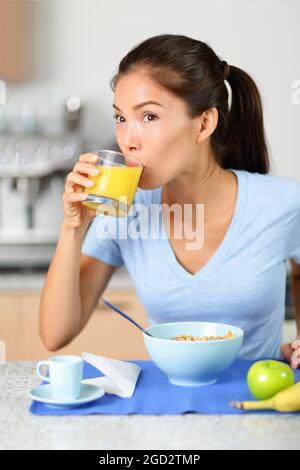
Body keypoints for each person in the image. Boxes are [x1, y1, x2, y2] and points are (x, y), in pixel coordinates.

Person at [39, 34, 300, 367]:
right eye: (121, 118)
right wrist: (73, 227)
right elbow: (54, 334)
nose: (127, 141)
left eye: (148, 117)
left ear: (204, 123)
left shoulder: (282, 203)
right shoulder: (123, 210)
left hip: (260, 401)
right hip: (170, 405)